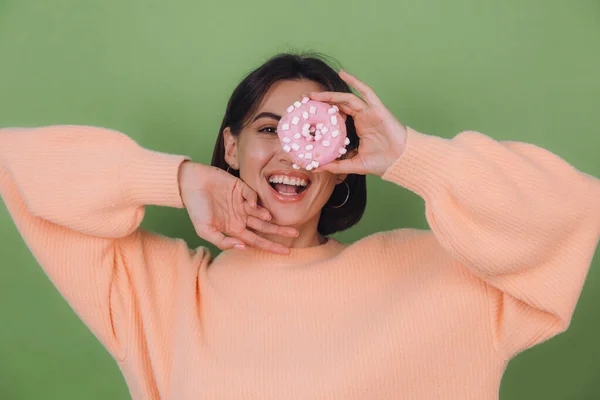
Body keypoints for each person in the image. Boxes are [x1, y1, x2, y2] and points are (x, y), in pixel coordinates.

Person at [1, 52, 599, 400]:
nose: (292, 153)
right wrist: (178, 179)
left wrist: (411, 157)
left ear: (343, 164)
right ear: (230, 146)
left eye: (318, 133)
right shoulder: (157, 294)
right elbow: (17, 160)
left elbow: (573, 209)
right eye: (269, 129)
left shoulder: (442, 276)